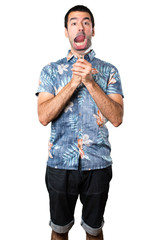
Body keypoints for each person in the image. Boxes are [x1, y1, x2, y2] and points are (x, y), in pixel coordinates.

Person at [36, 5, 124, 240]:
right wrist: (74, 82)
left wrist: (91, 82)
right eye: (73, 22)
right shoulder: (51, 72)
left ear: (92, 30)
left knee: (94, 232)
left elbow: (117, 118)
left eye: (86, 22)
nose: (80, 26)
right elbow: (43, 116)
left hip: (98, 164)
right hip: (59, 165)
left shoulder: (109, 71)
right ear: (66, 31)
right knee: (59, 230)